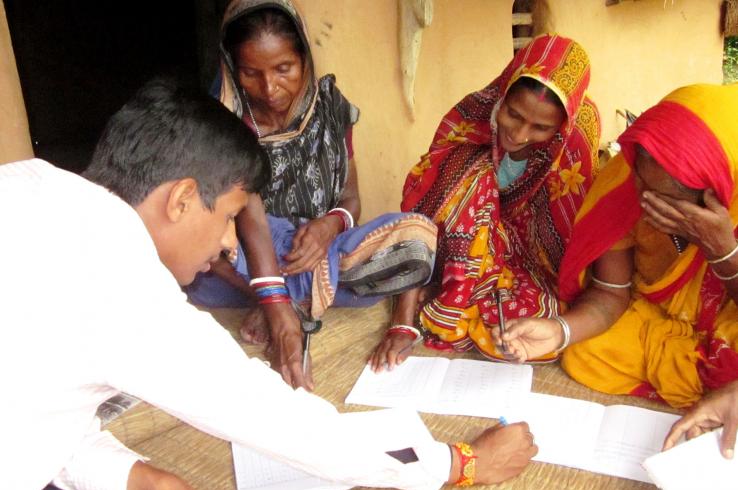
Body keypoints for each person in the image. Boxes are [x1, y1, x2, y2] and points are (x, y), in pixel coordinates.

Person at [0, 78, 538, 490]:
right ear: (182, 198)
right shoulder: (124, 292)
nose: (231, 243)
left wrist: (129, 474)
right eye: (232, 215)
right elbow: (296, 431)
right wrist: (462, 463)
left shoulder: (28, 182)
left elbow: (36, 405)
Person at [185, 0, 437, 390]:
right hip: (244, 263)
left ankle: (294, 300)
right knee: (199, 255)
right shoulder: (219, 122)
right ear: (233, 67)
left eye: (283, 69)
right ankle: (281, 301)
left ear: (304, 57)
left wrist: (329, 226)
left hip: (322, 252)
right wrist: (269, 298)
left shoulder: (332, 109)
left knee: (416, 241)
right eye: (251, 73)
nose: (269, 88)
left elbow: (351, 199)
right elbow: (210, 228)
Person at [497, 83, 738, 410]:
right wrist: (559, 332)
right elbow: (611, 292)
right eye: (641, 179)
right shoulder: (624, 182)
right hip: (660, 318)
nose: (643, 199)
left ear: (718, 192)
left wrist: (722, 250)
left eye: (666, 200)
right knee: (585, 351)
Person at [369, 34, 601, 371]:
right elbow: (423, 214)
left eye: (541, 128)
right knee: (466, 171)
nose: (519, 135)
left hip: (530, 265)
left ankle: (451, 294)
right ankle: (440, 287)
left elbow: (571, 239)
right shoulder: (471, 116)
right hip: (461, 252)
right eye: (513, 114)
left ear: (562, 127)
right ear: (503, 93)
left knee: (535, 327)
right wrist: (402, 323)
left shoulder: (575, 141)